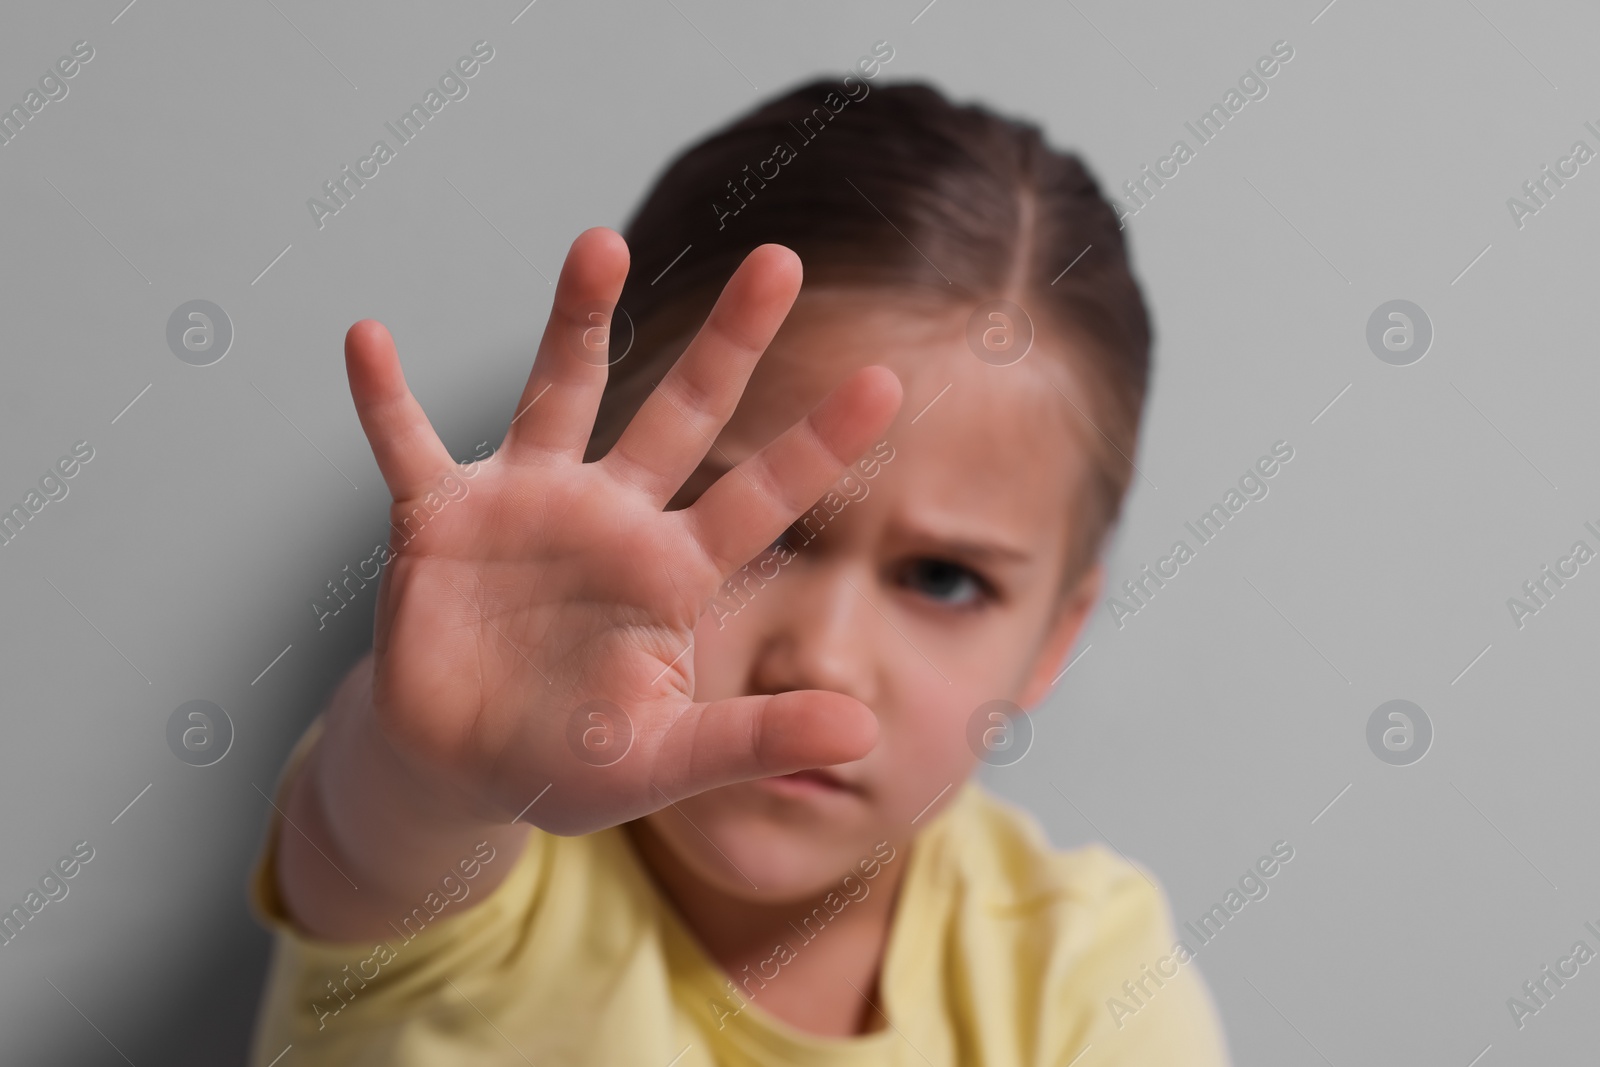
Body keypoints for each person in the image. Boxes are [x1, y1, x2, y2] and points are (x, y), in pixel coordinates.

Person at [246, 73, 1233, 1066]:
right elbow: (383, 834)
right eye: (756, 535)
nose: (825, 659)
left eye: (943, 579)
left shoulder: (1081, 970)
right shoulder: (480, 861)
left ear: (1051, 638)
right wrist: (427, 771)